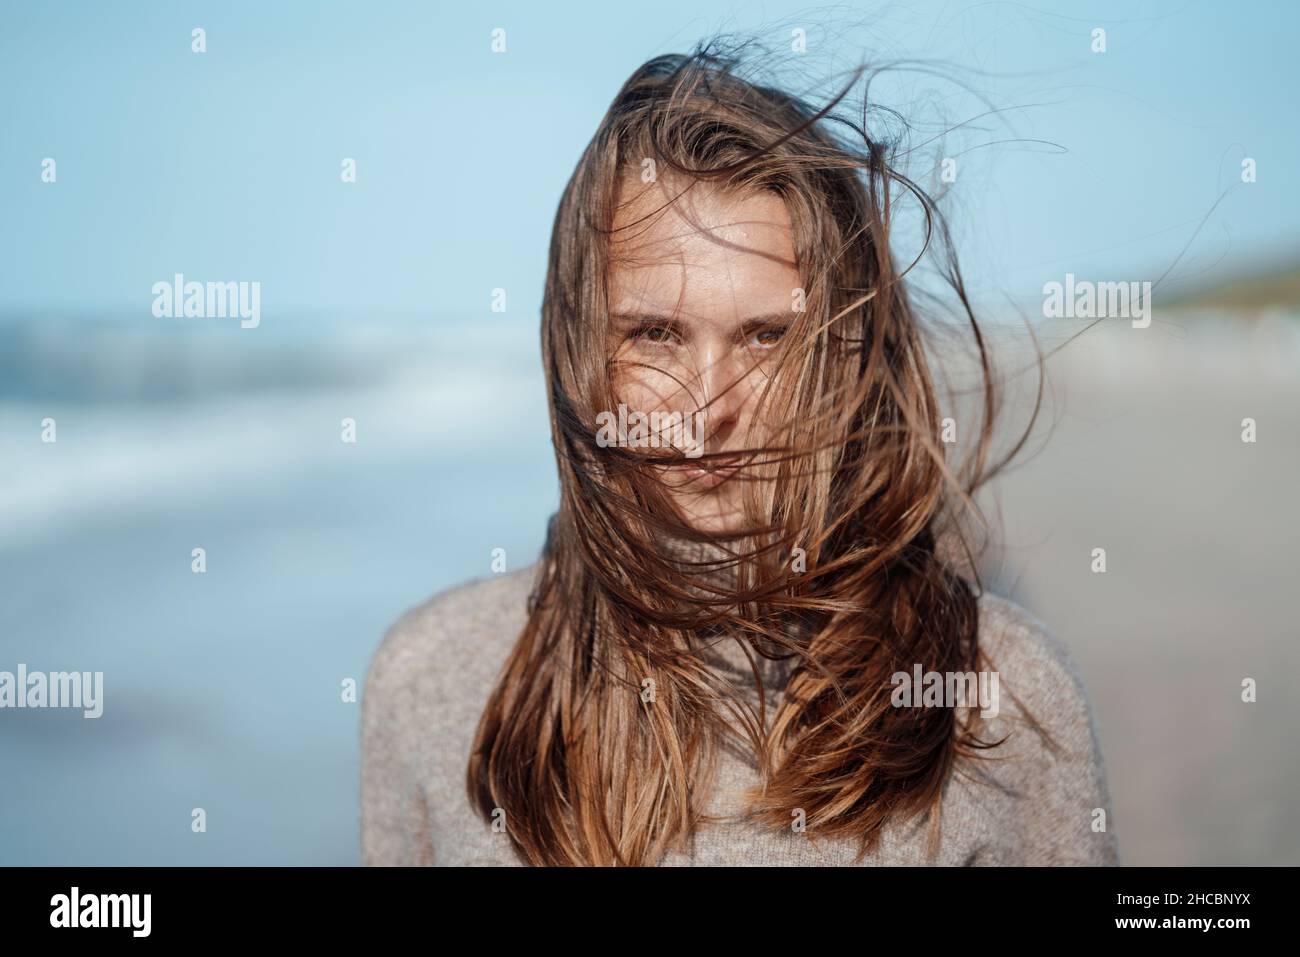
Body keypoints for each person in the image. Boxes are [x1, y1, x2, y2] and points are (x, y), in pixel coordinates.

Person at [361, 44, 1119, 867]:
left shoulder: (998, 696)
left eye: (767, 338)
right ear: (580, 347)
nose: (706, 410)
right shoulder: (433, 677)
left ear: (844, 355)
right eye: (655, 334)